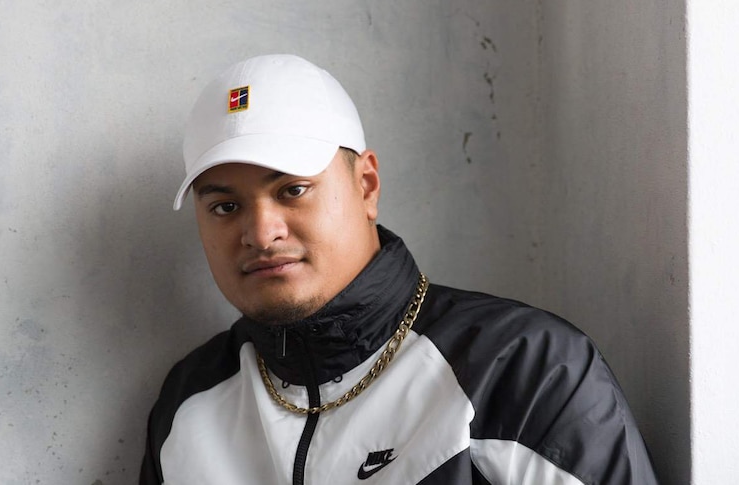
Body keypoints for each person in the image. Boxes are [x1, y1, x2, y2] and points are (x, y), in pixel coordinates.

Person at [140, 54, 658, 485]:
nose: (261, 231)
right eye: (225, 207)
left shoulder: (524, 370)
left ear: (366, 186)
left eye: (292, 190)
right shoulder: (190, 399)